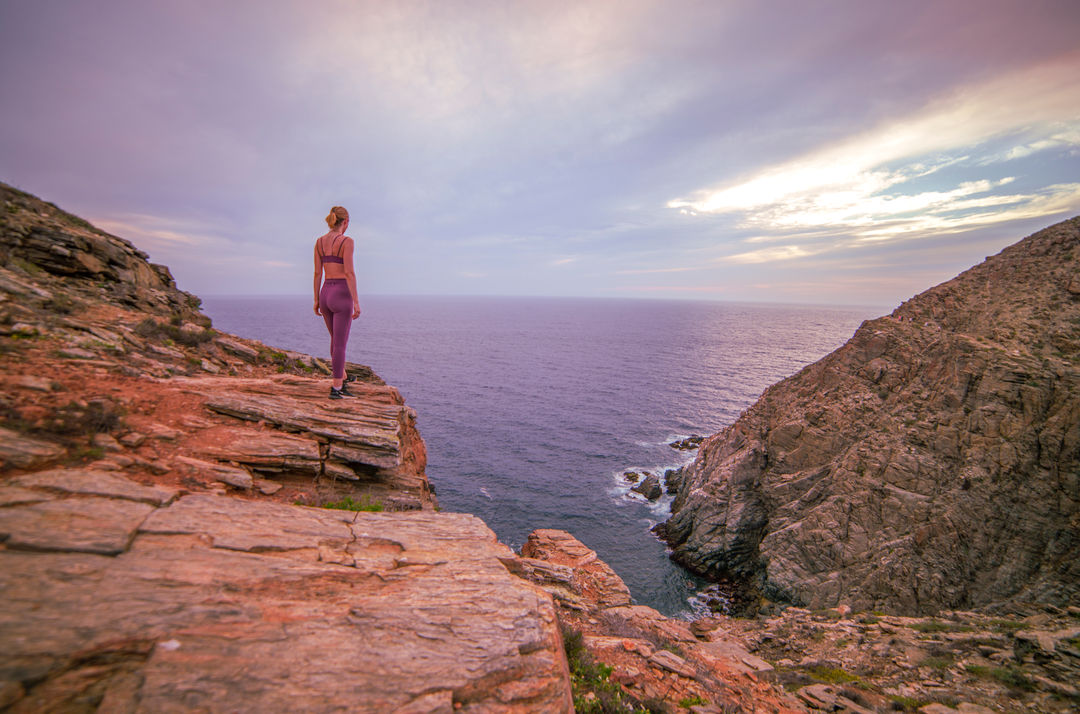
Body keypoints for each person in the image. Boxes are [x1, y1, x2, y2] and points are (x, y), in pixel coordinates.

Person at [313, 206, 361, 399]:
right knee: (340, 344)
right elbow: (349, 273)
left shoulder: (319, 242)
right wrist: (356, 301)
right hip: (341, 293)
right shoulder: (347, 242)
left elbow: (318, 273)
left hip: (325, 292)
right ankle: (337, 388)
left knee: (334, 340)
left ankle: (342, 376)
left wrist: (316, 299)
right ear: (345, 222)